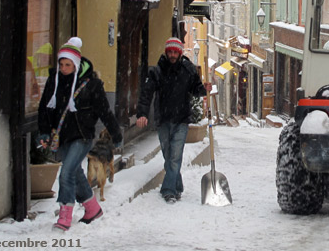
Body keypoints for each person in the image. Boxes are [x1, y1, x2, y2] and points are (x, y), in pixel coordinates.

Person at [36, 37, 122, 231]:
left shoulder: (92, 85)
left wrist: (116, 135)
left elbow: (104, 112)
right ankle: (92, 208)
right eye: (61, 64)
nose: (64, 68)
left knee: (66, 172)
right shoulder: (54, 81)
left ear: (76, 65)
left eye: (68, 65)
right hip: (62, 135)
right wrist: (43, 131)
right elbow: (44, 108)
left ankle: (65, 213)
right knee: (75, 172)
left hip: (82, 136)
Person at [136, 37, 210, 204]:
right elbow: (146, 94)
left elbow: (196, 89)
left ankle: (168, 190)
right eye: (169, 51)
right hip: (163, 119)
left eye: (175, 52)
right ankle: (177, 186)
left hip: (181, 119)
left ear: (180, 53)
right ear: (166, 52)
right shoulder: (157, 71)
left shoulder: (188, 70)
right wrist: (142, 113)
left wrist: (204, 89)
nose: (172, 55)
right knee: (168, 155)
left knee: (175, 156)